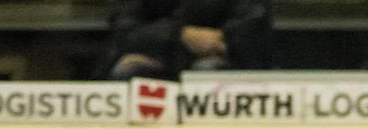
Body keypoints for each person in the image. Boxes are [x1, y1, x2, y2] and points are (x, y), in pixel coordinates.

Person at [102, 0, 273, 80]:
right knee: (128, 70)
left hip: (222, 61)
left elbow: (253, 23)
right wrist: (180, 35)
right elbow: (124, 28)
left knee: (206, 72)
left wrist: (221, 41)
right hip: (159, 58)